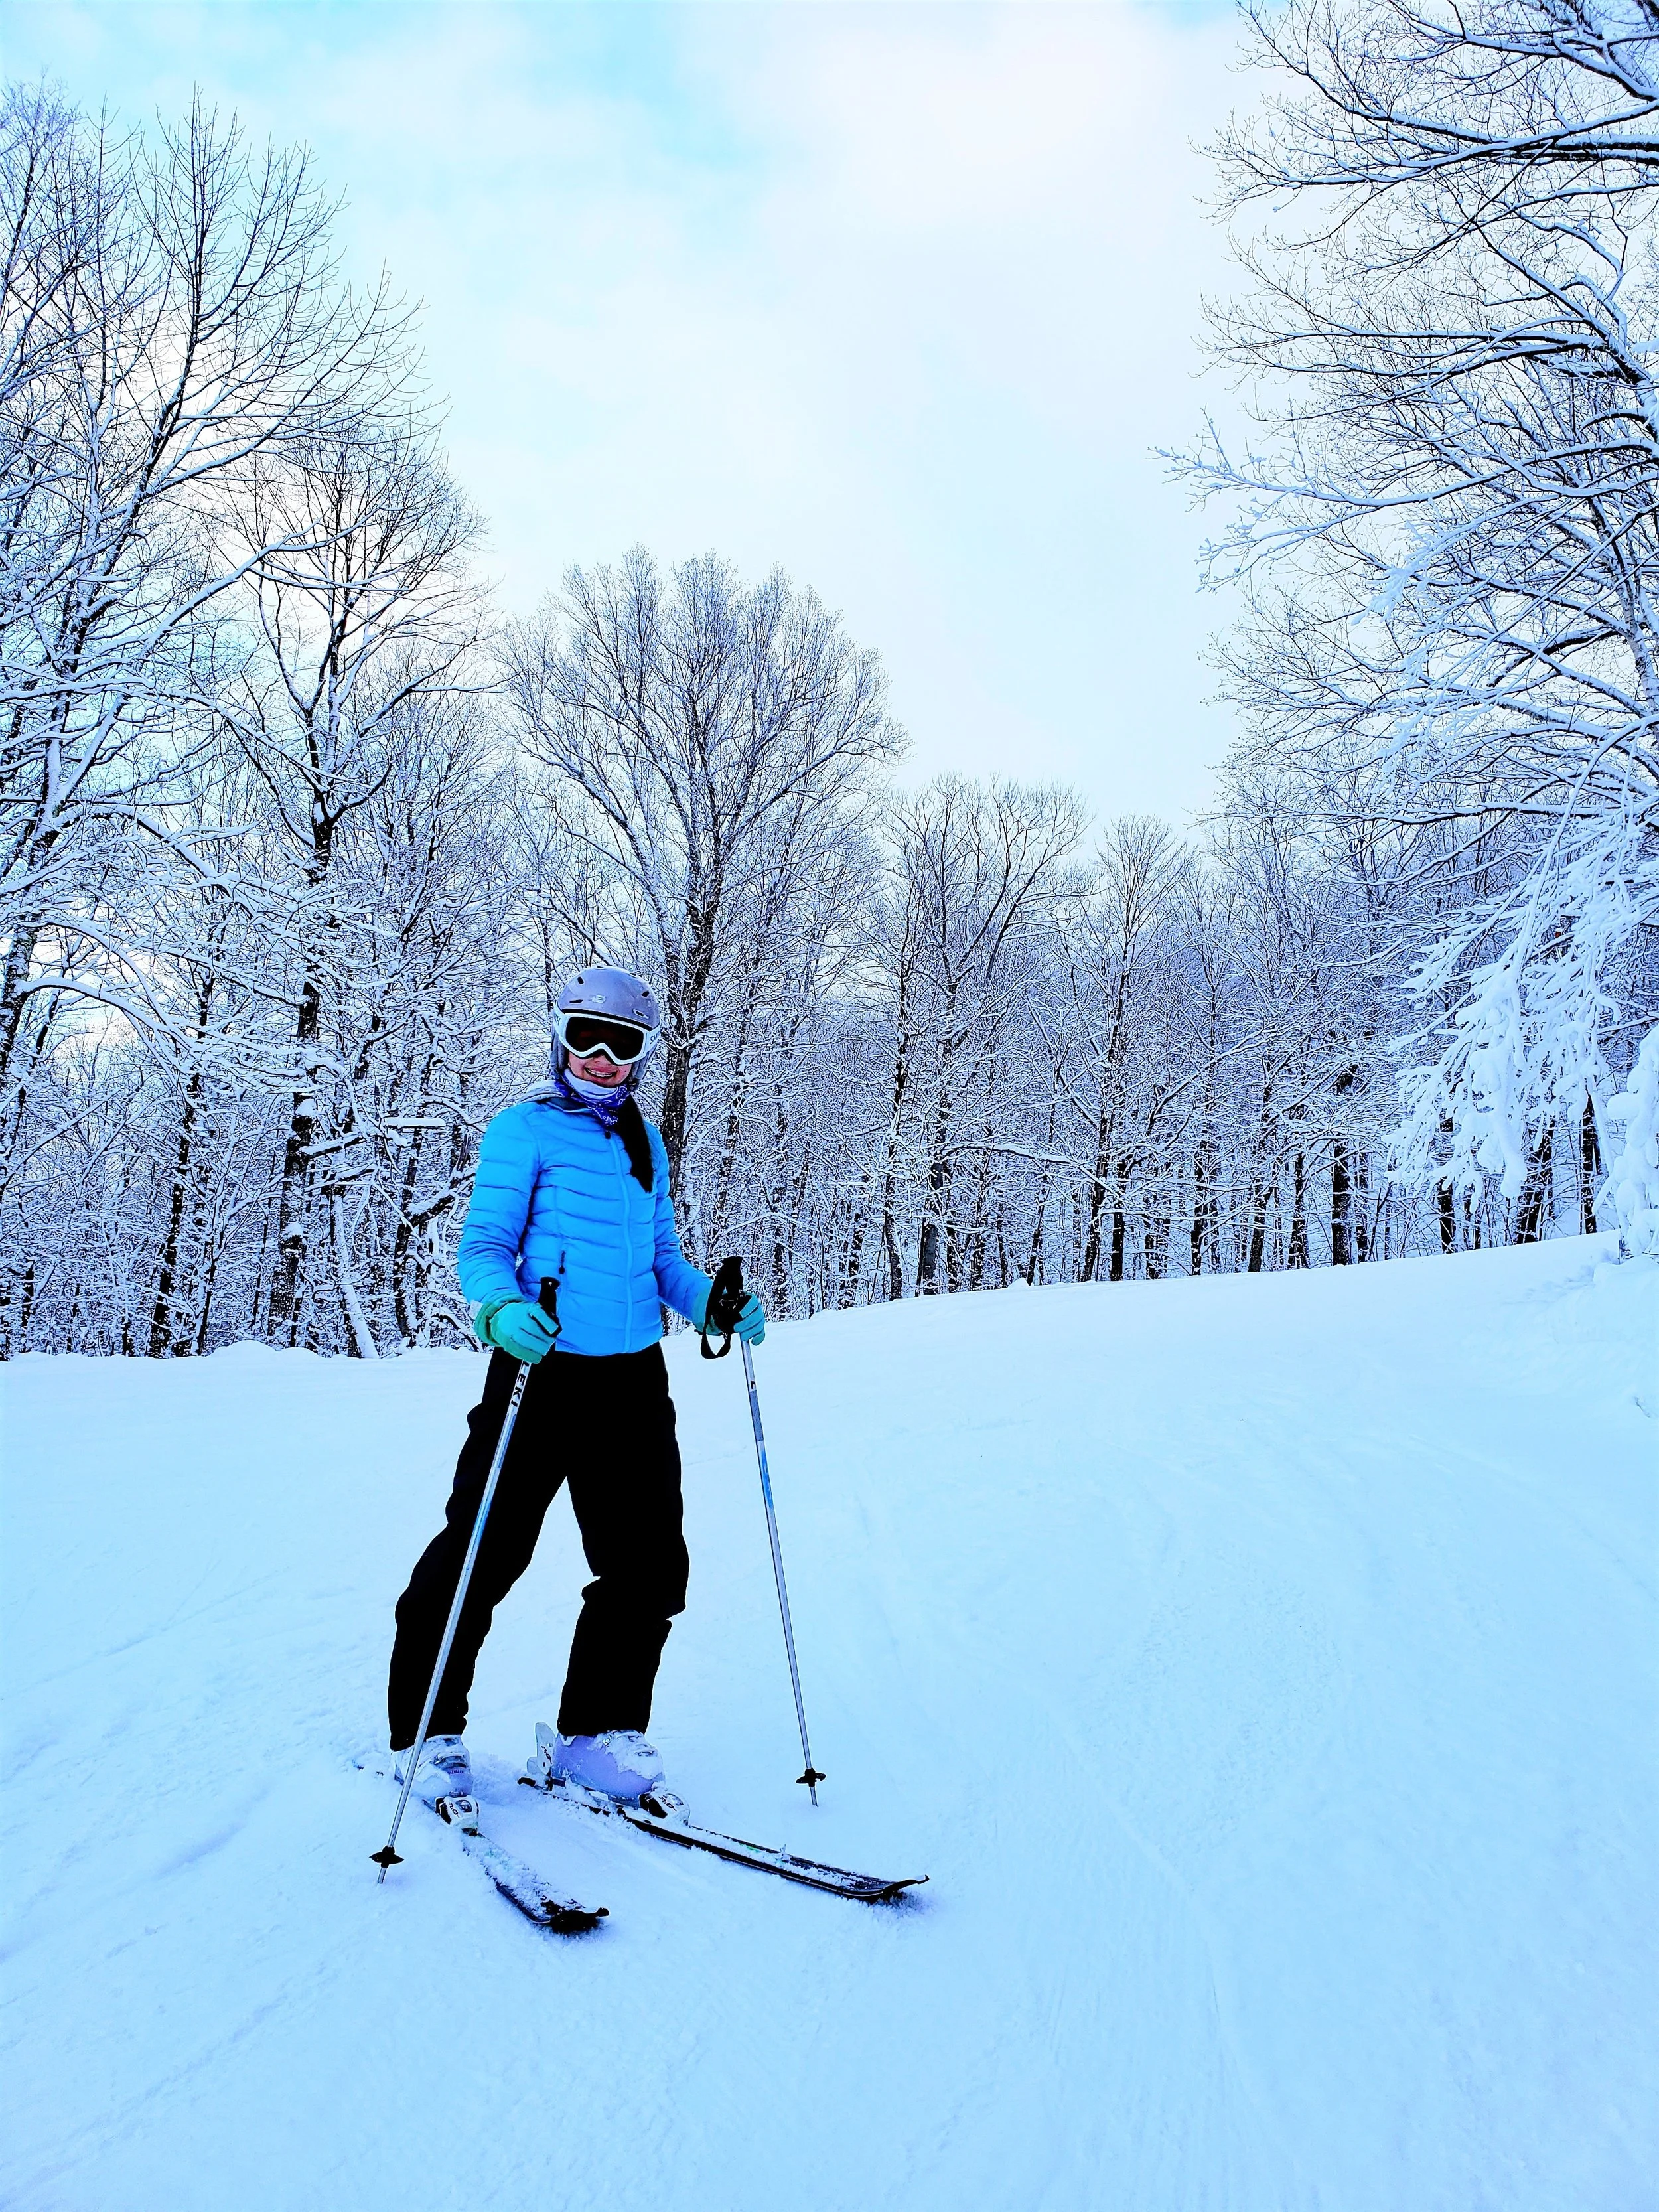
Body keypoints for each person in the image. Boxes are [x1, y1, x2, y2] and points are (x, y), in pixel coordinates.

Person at [386, 966, 765, 1807]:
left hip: (633, 1379)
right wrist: (496, 1310)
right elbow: (484, 1243)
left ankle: (594, 1737)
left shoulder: (644, 1141)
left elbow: (660, 1261)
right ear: (560, 1038)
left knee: (649, 1568)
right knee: (481, 1553)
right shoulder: (521, 1130)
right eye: (583, 1037)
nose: (598, 1056)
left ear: (640, 1054)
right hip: (540, 1369)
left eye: (619, 1042)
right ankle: (424, 1732)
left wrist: (713, 1304)